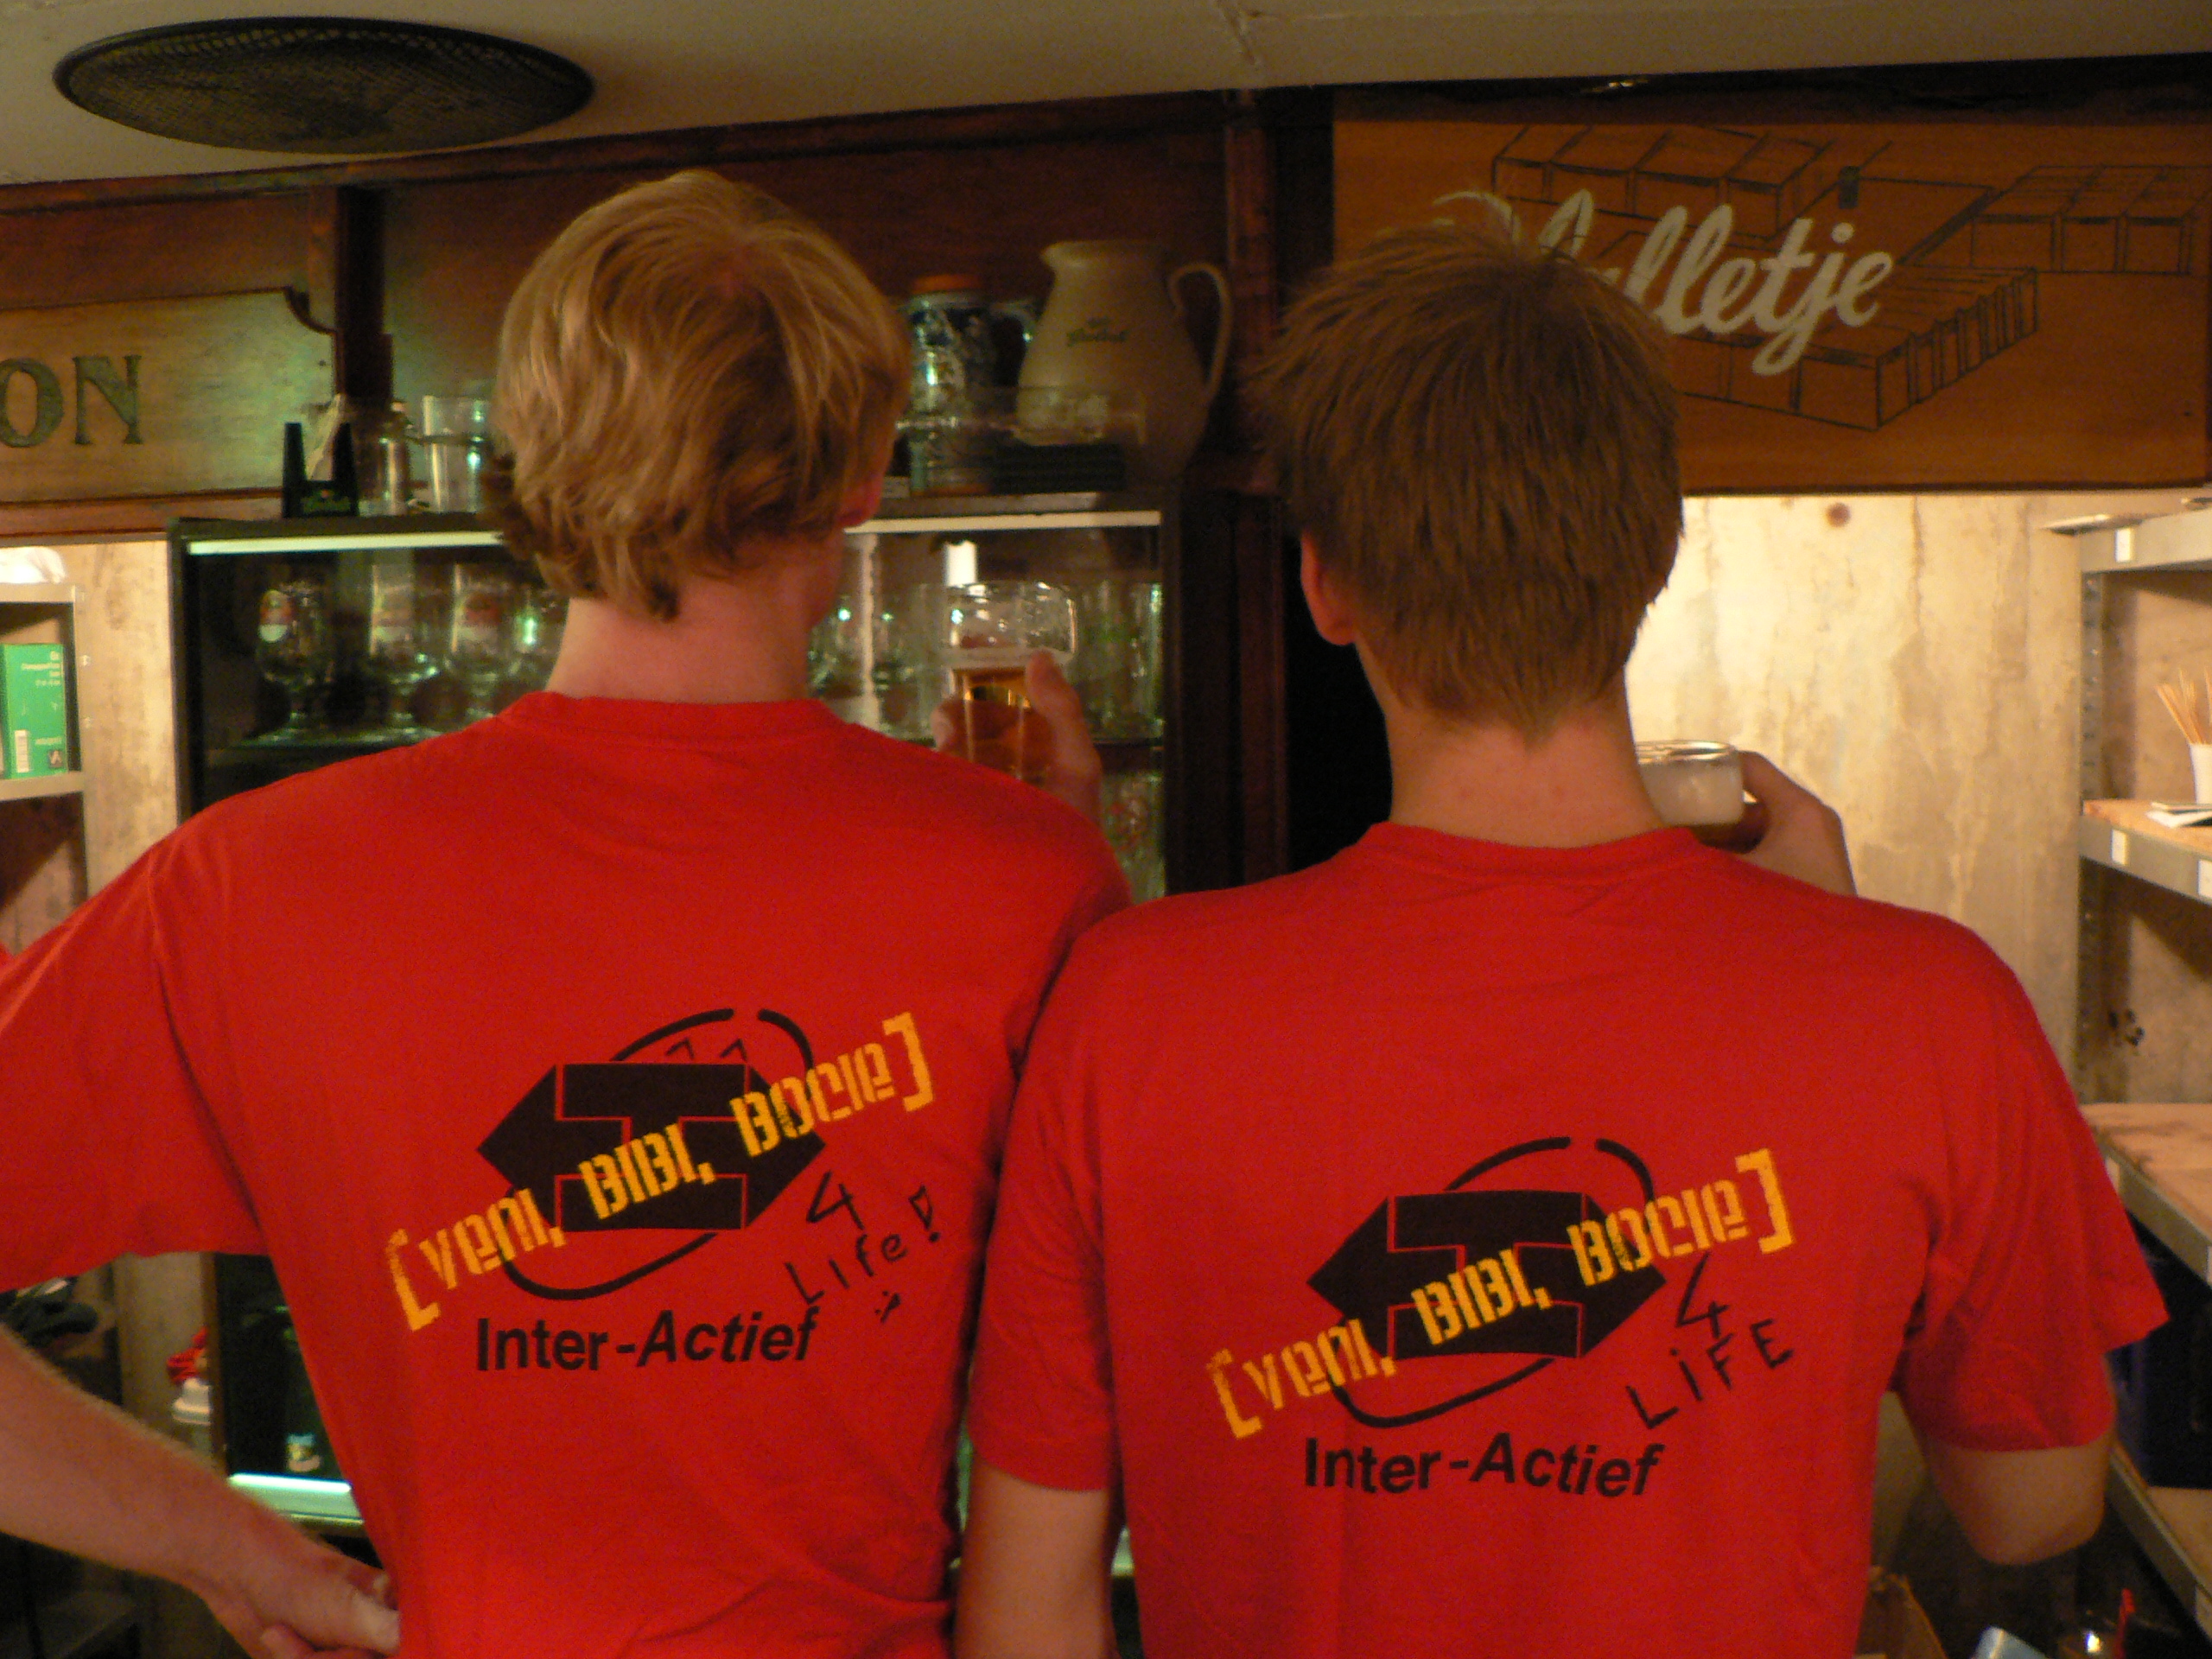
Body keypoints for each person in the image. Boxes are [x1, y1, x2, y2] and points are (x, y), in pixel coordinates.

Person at [954, 220, 2166, 1659]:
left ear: (1324, 584)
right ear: (1654, 553)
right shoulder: (1930, 1005)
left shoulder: (1131, 1005)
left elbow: (1028, 1615)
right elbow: (2035, 1508)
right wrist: (1833, 959)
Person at [0, 170, 1123, 1659]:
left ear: (528, 463)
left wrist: (239, 1553)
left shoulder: (251, 881)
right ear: (863, 476)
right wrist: (1052, 868)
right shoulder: (1026, 880)